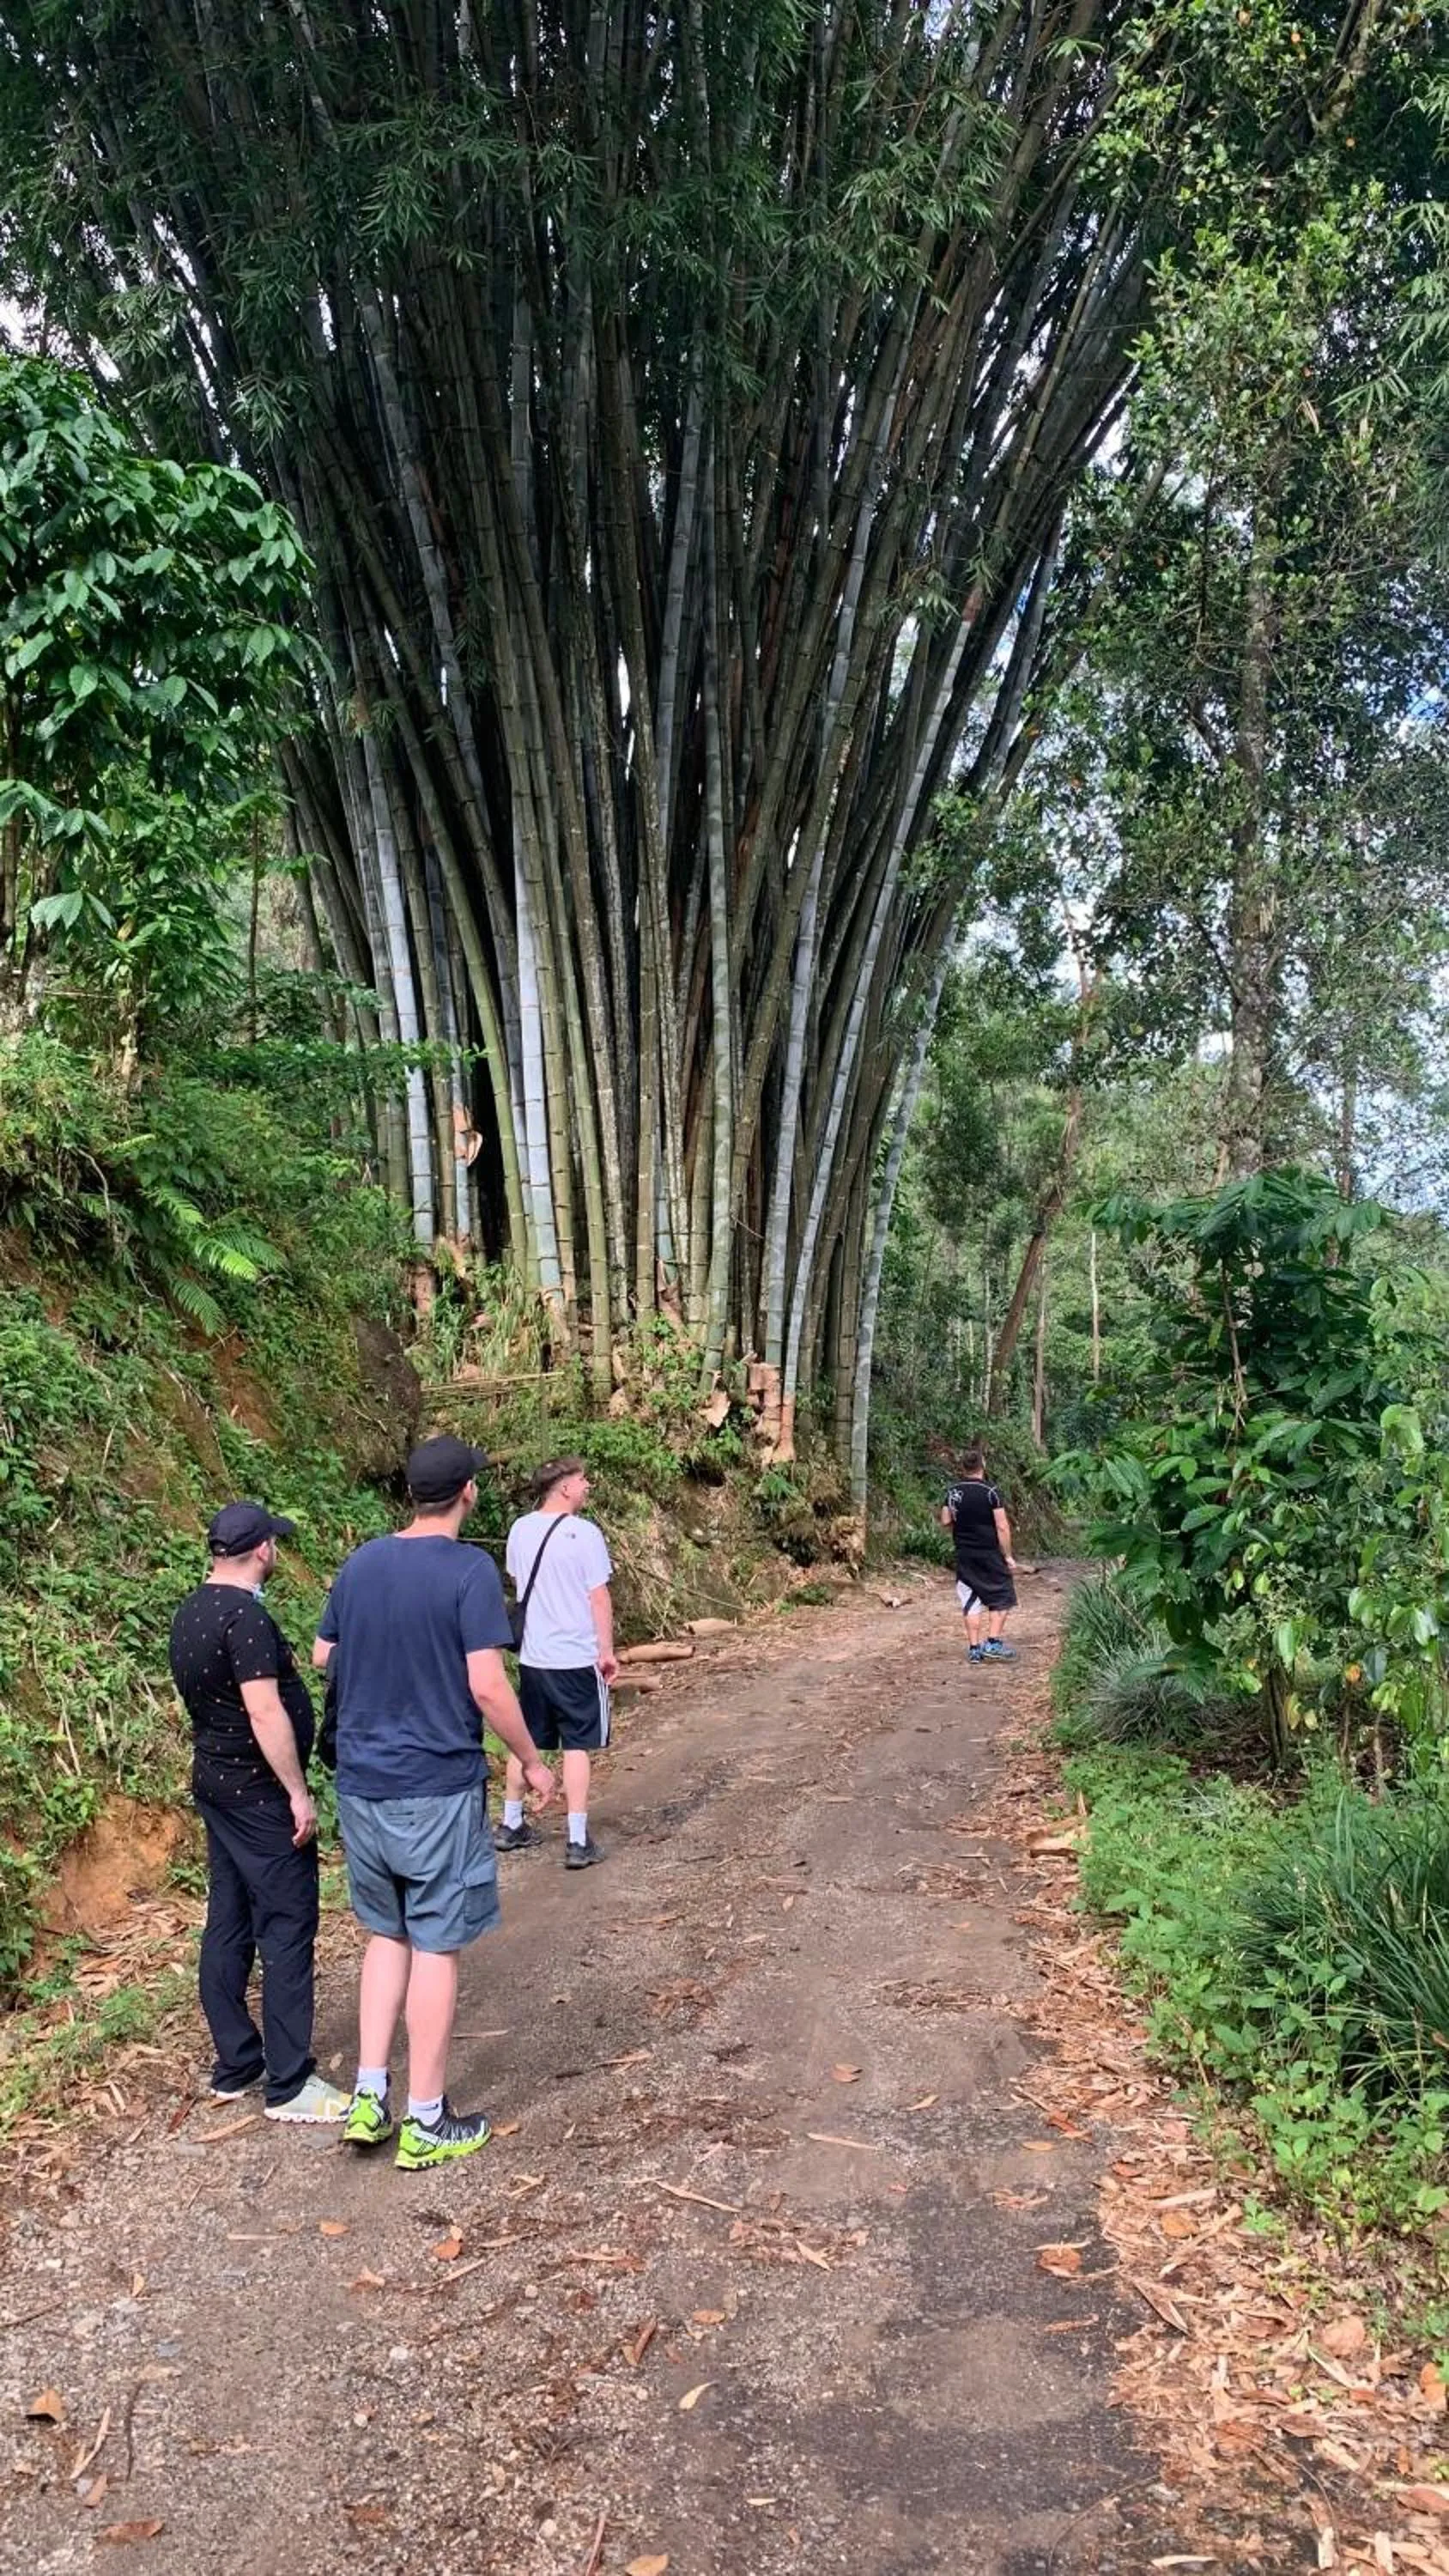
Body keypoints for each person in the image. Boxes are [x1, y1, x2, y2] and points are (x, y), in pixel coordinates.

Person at [313, 1435, 556, 2170]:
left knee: (386, 1936)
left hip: (361, 1784)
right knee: (436, 1944)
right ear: (467, 1494)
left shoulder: (362, 1562)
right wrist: (530, 1758)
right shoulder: (466, 1570)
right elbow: (486, 1683)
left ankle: (367, 2094)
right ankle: (425, 2120)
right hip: (435, 1785)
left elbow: (325, 1655)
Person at [168, 1502, 349, 2123]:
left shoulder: (192, 1610)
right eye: (275, 1543)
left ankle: (238, 2061)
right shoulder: (243, 1618)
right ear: (262, 1550)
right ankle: (289, 2081)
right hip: (257, 1792)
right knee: (289, 1920)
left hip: (216, 1782)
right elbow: (264, 1710)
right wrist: (297, 1792)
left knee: (228, 1915)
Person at [497, 1455, 618, 1872]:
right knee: (577, 1744)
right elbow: (598, 1596)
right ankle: (578, 1838)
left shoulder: (520, 1529)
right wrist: (606, 1650)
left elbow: (519, 1581)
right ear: (564, 1487)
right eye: (583, 1480)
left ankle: (511, 1823)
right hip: (576, 1655)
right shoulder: (584, 1534)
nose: (587, 1486)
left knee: (526, 1739)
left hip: (534, 1655)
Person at [941, 1444, 1020, 1663]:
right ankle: (993, 1642)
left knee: (970, 1599)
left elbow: (946, 1520)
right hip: (989, 1554)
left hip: (964, 1554)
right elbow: (1002, 1526)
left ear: (963, 1467)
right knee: (1002, 1597)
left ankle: (974, 1649)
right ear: (982, 1465)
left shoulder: (953, 1491)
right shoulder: (991, 1492)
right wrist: (1008, 1555)